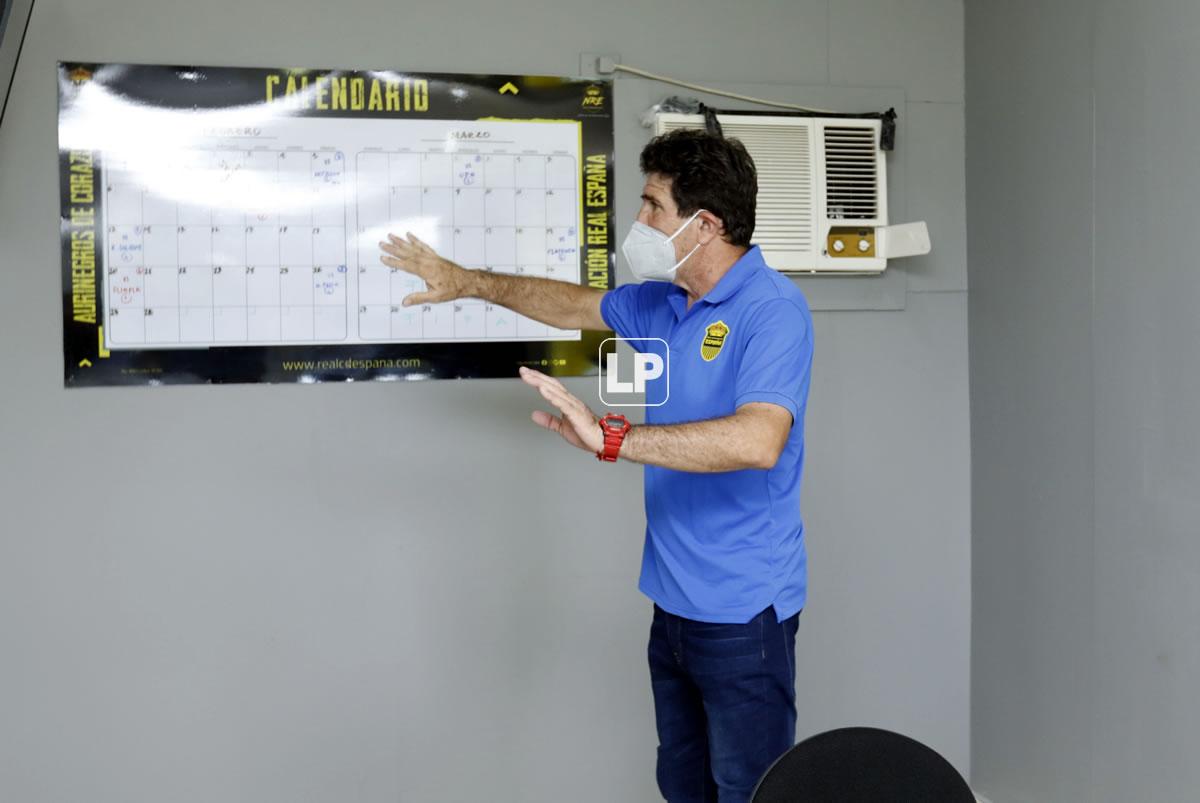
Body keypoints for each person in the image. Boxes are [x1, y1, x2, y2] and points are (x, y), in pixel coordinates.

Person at [380, 129, 813, 803]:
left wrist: (612, 439)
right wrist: (467, 282)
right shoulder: (664, 303)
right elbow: (568, 304)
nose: (638, 220)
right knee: (683, 784)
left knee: (748, 790)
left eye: (653, 205)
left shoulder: (773, 309)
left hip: (744, 610)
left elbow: (759, 440)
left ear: (705, 225)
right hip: (671, 603)